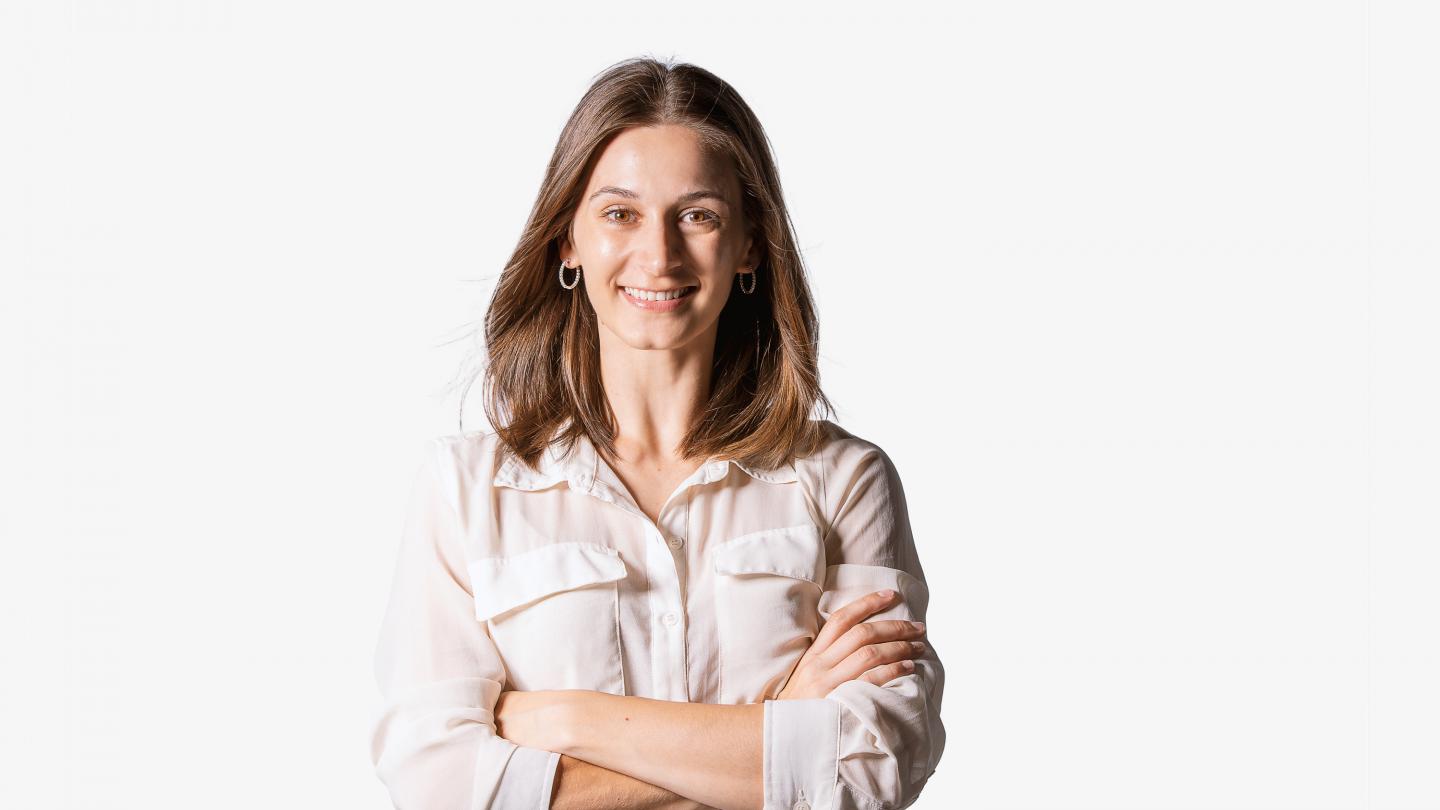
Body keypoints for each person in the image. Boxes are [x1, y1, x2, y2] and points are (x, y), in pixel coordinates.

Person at [369, 56, 945, 810]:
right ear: (567, 240)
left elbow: (871, 773)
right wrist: (778, 731)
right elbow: (438, 783)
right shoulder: (467, 492)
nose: (660, 254)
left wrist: (561, 719)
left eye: (698, 215)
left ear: (747, 247)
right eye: (620, 213)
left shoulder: (844, 482)